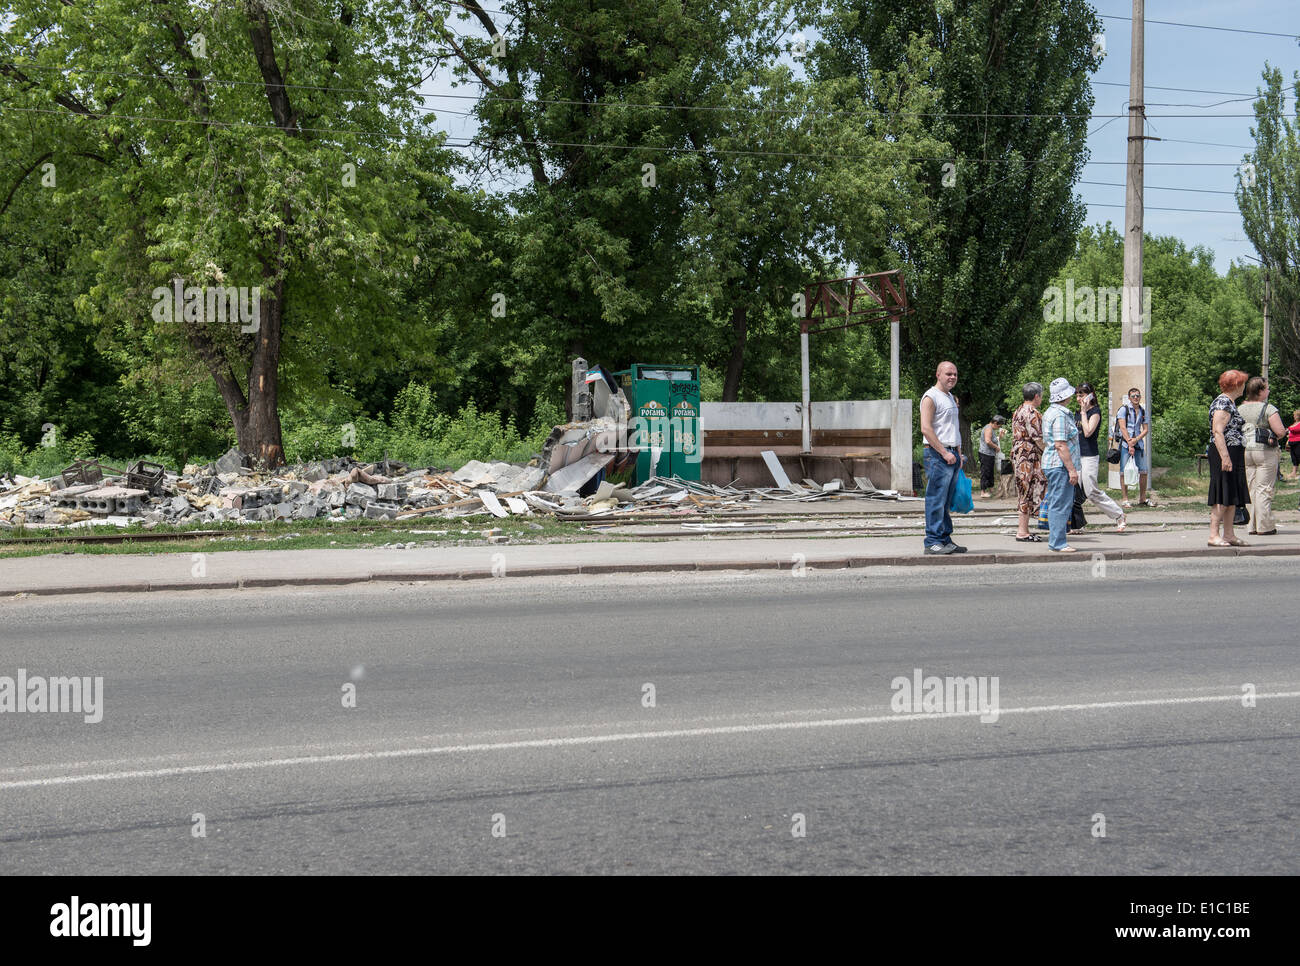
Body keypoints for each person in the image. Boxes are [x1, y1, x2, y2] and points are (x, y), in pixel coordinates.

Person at [920, 361, 966, 555]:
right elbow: (926, 428)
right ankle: (932, 541)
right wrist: (944, 452)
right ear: (938, 374)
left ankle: (945, 539)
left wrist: (958, 452)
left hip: (951, 454)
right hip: (938, 454)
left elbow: (953, 428)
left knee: (946, 501)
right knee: (936, 499)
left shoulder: (949, 397)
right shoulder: (931, 397)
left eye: (955, 374)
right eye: (948, 374)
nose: (952, 377)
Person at [1239, 375, 1288, 536]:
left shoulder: (1240, 409)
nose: (1268, 390)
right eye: (1266, 388)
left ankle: (1251, 525)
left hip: (1247, 451)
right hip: (1265, 452)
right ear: (1260, 391)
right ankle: (1265, 526)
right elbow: (1280, 431)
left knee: (1252, 488)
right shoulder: (1268, 409)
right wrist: (1279, 434)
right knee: (1264, 489)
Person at [1074, 382, 1126, 531]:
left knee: (1091, 491)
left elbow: (1088, 432)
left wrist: (1084, 412)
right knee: (1074, 492)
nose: (1078, 398)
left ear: (1090, 395)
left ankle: (1118, 515)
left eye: (1082, 395)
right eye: (1077, 395)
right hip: (1076, 456)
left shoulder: (1094, 412)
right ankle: (1076, 524)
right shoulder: (1076, 413)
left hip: (1089, 455)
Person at [1207, 369, 1250, 547]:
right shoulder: (1223, 402)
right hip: (1224, 453)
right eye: (1243, 383)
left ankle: (1229, 535)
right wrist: (1225, 457)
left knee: (1232, 496)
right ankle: (1213, 534)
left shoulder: (1230, 402)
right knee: (1222, 494)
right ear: (1237, 384)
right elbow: (1218, 431)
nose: (1245, 386)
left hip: (1233, 452)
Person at [1041, 378, 1082, 552]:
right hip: (1060, 465)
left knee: (1057, 502)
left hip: (1053, 463)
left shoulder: (1051, 411)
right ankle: (1057, 542)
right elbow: (1060, 444)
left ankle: (1057, 540)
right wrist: (1072, 469)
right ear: (1067, 396)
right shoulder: (1060, 415)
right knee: (1060, 503)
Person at [1011, 382, 1047, 542]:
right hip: (1029, 455)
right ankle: (1022, 531)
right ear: (1036, 396)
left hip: (1019, 453)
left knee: (1023, 490)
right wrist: (1048, 452)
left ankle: (1024, 529)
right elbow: (1037, 438)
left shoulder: (1018, 410)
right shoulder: (1032, 412)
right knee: (1027, 490)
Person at [1115, 387, 1152, 508]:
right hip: (1126, 444)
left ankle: (1142, 498)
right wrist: (1130, 442)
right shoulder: (1124, 410)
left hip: (1139, 444)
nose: (1136, 398)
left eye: (1138, 395)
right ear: (1129, 398)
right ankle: (1125, 499)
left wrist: (1136, 440)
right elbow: (1123, 428)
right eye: (1133, 396)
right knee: (1123, 471)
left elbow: (1145, 429)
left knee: (1144, 471)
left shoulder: (1143, 411)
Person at [978, 415, 1007, 498]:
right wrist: (996, 447)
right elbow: (987, 441)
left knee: (990, 472)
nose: (999, 427)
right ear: (994, 423)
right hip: (985, 454)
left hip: (990, 454)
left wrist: (1000, 436)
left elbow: (993, 439)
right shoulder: (988, 428)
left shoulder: (991, 429)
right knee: (985, 472)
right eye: (999, 425)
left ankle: (991, 490)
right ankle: (983, 492)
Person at [1287, 409, 1300, 482]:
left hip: (1298, 442)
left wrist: (1290, 429)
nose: (1294, 416)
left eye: (1295, 415)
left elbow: (1296, 429)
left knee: (1299, 456)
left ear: (1298, 416)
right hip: (1292, 442)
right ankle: (1294, 473)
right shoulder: (1294, 423)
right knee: (1294, 458)